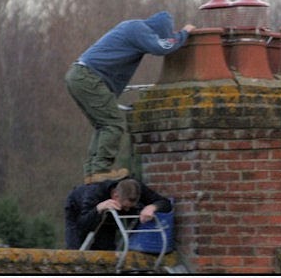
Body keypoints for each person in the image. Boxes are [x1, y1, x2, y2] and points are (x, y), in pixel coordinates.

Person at [65, 11, 196, 184]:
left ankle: (92, 173)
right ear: (159, 31)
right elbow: (162, 47)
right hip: (89, 77)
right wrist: (184, 33)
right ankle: (100, 170)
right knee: (113, 124)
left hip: (79, 76)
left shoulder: (131, 27)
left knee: (103, 125)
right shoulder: (138, 29)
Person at [64, 177, 173, 250]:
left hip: (109, 215)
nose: (127, 210)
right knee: (75, 247)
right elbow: (82, 225)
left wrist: (152, 207)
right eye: (124, 207)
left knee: (106, 248)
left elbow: (166, 203)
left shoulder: (135, 189)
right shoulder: (95, 193)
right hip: (78, 208)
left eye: (130, 207)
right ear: (115, 196)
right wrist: (98, 208)